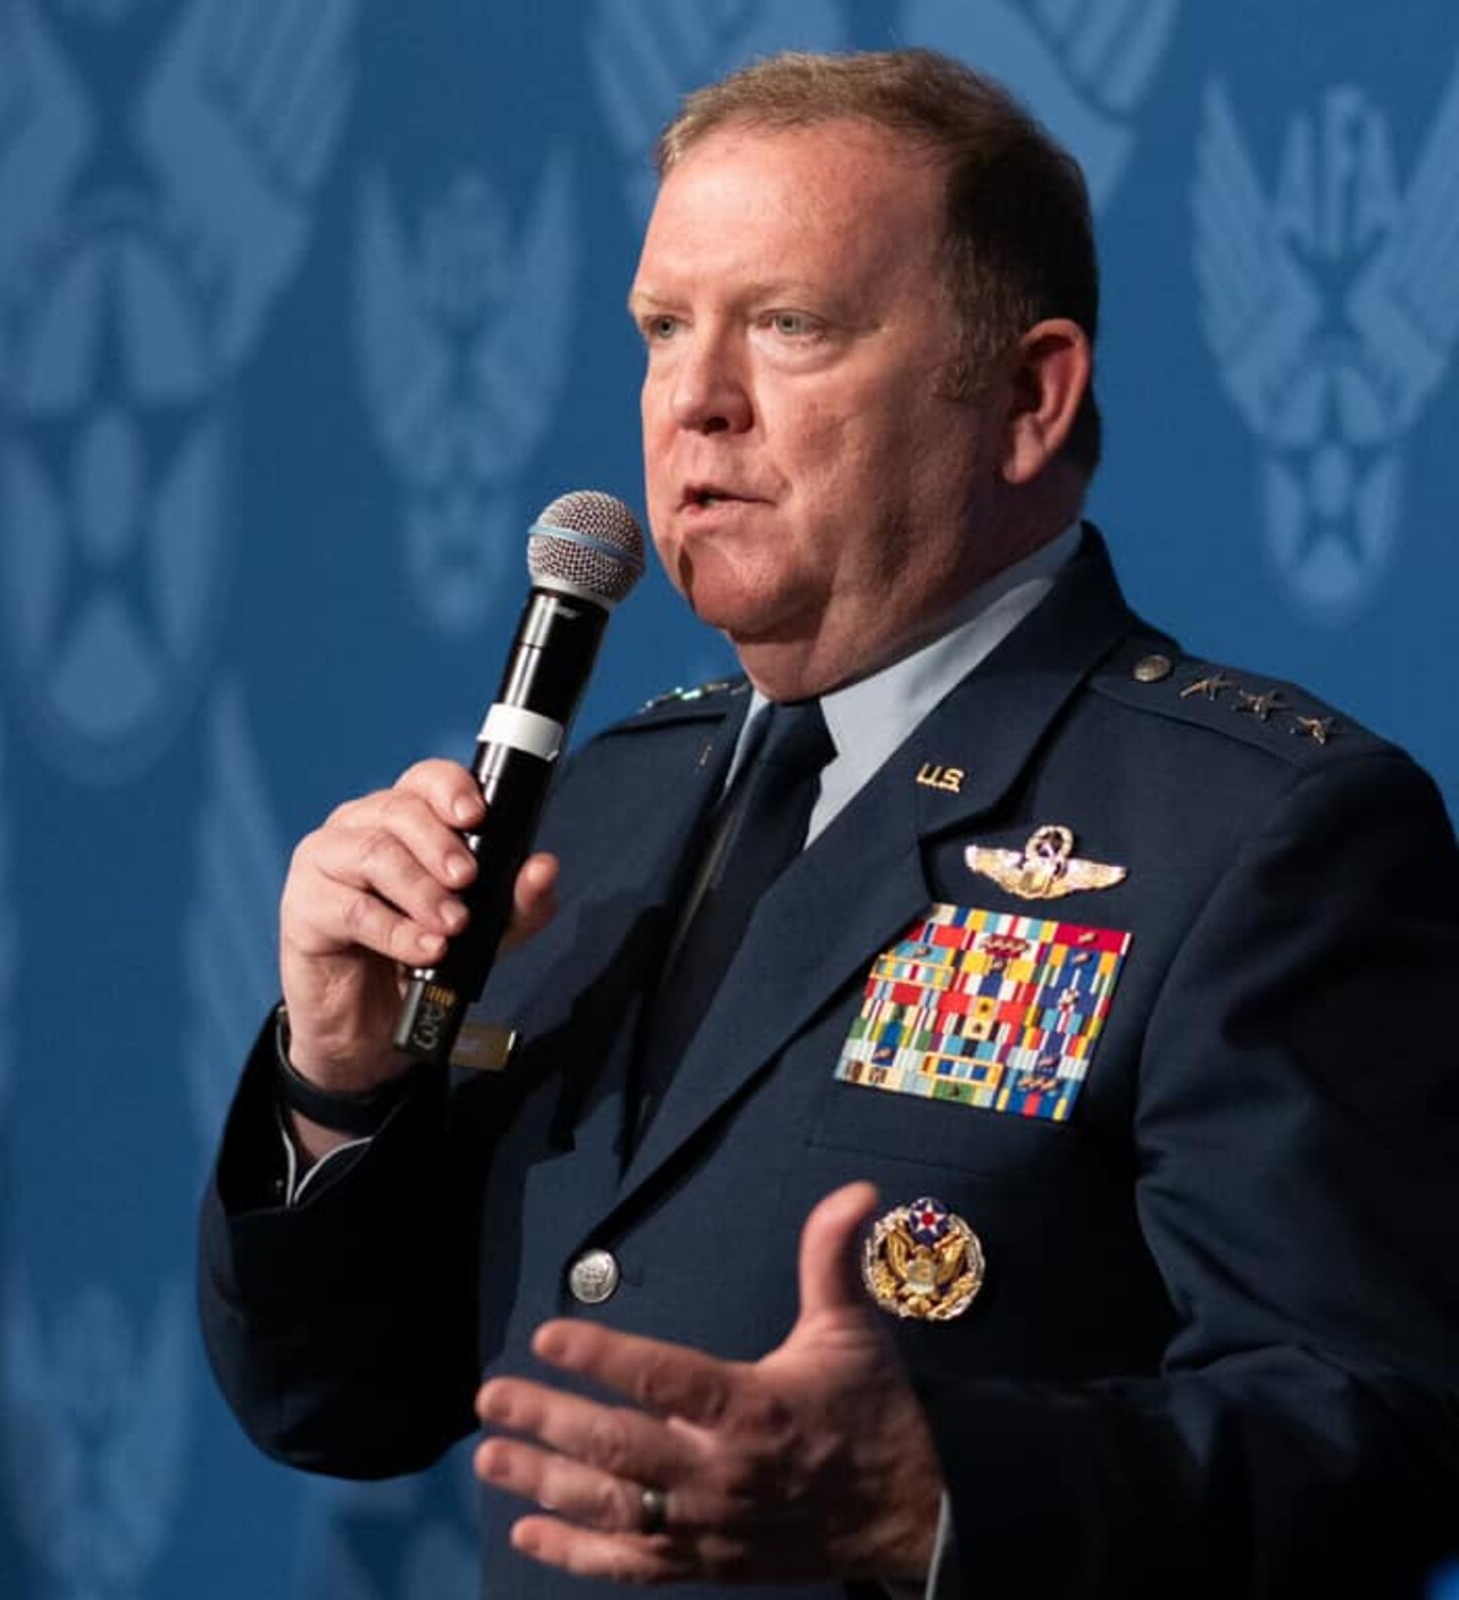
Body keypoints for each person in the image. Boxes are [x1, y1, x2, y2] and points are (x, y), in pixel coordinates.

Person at [198, 48, 1459, 1598]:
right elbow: (343, 1401)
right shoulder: (597, 812)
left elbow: (1379, 1435)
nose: (697, 404)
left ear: (1025, 394)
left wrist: (934, 1503)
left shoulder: (1259, 833)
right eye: (664, 330)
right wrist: (339, 1085)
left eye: (788, 327)